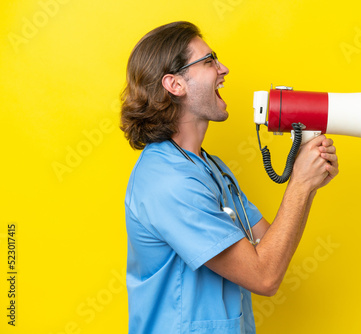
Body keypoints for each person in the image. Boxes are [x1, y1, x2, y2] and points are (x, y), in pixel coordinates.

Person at [120, 21, 339, 334]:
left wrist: (310, 181)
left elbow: (268, 244)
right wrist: (300, 184)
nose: (224, 69)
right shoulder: (167, 181)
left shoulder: (210, 167)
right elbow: (265, 276)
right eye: (209, 61)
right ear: (175, 85)